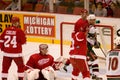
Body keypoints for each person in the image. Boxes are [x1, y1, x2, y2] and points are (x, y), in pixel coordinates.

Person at [69, 9, 91, 80]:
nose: (84, 15)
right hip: (79, 48)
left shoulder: (87, 22)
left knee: (76, 70)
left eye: (86, 13)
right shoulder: (78, 23)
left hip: (73, 54)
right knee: (86, 73)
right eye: (83, 13)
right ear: (81, 14)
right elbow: (78, 36)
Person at [87, 14, 102, 79]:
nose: (93, 21)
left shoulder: (90, 27)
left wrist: (95, 43)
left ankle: (87, 72)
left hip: (88, 47)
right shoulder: (91, 28)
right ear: (89, 20)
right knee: (95, 59)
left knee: (90, 60)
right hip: (87, 47)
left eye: (94, 20)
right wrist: (96, 43)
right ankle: (95, 75)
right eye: (91, 20)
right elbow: (92, 37)